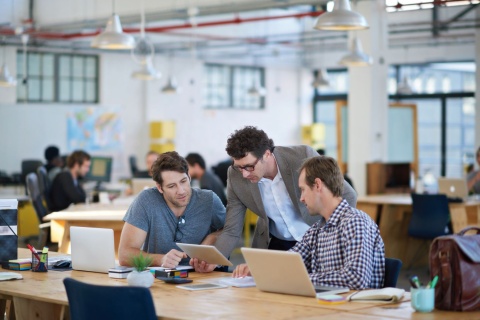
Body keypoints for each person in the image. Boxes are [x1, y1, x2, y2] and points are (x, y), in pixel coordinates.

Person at [191, 126, 357, 272]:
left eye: (249, 166)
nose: (244, 174)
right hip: (277, 243)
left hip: (315, 237)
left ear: (267, 154)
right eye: (239, 167)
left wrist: (329, 235)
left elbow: (348, 195)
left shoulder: (302, 157)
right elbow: (232, 230)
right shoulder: (235, 176)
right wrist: (214, 260)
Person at [233, 156, 385, 289]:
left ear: (318, 185)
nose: (301, 198)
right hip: (327, 307)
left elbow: (356, 279)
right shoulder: (317, 230)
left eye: (303, 190)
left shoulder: (355, 222)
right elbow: (290, 261)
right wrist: (258, 268)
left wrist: (304, 279)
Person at [118, 151, 226, 268]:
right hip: (161, 277)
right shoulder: (146, 201)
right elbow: (124, 255)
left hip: (205, 276)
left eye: (183, 181)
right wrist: (161, 259)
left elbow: (230, 230)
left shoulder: (209, 200)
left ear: (189, 177)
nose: (181, 191)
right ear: (159, 187)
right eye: (171, 186)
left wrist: (211, 239)